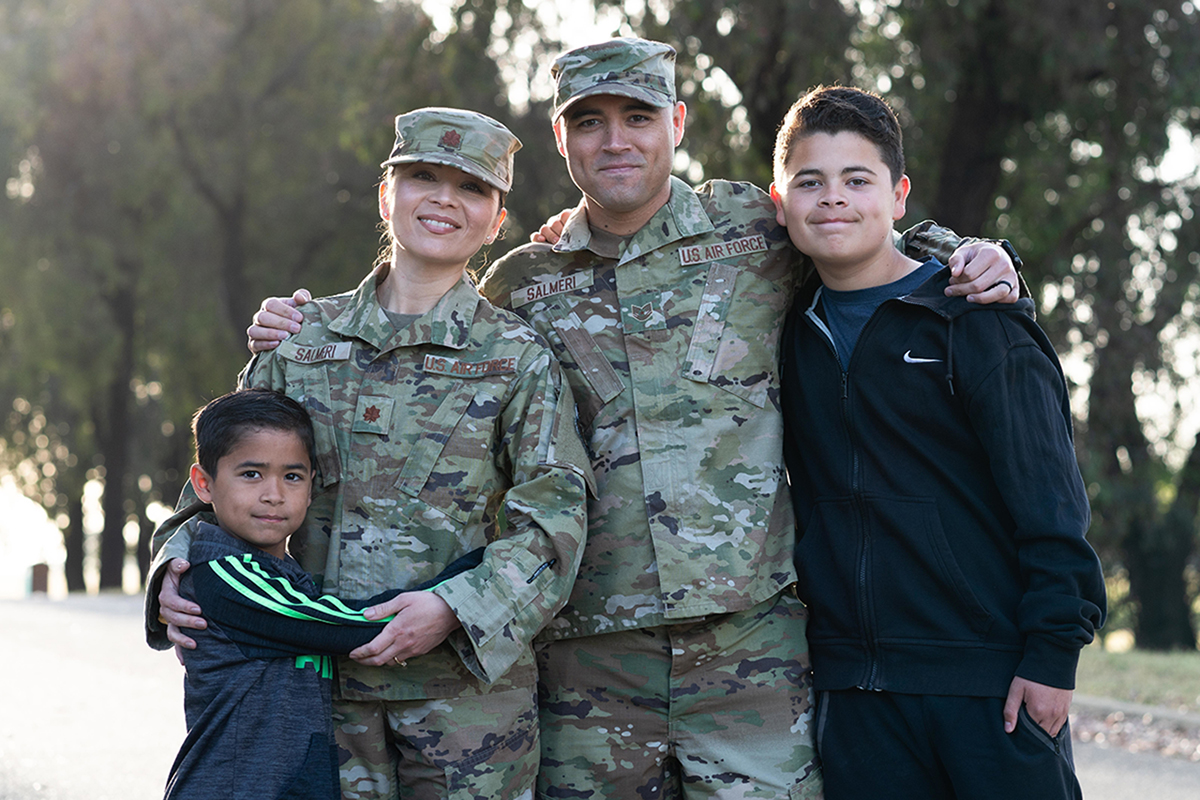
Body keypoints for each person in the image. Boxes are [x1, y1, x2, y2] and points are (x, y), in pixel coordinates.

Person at [238, 39, 1020, 800]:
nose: (615, 140)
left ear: (676, 123)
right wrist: (298, 320)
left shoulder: (752, 231)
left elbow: (853, 227)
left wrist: (961, 251)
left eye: (637, 117)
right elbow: (417, 336)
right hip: (590, 667)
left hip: (749, 649)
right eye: (589, 121)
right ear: (561, 137)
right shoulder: (525, 281)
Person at [147, 108, 593, 800]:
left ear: (496, 220)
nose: (444, 199)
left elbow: (555, 522)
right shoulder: (300, 341)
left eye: (471, 188)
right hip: (315, 698)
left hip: (468, 711)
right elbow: (209, 492)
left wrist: (453, 606)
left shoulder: (517, 358)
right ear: (387, 196)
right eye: (423, 177)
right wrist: (170, 572)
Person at [770, 85, 1106, 799]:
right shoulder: (782, 331)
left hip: (990, 686)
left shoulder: (978, 321)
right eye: (811, 182)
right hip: (854, 698)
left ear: (898, 198)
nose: (833, 199)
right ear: (780, 200)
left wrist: (1052, 657)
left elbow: (1052, 504)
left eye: (858, 180)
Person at [166, 388, 481, 799]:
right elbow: (355, 626)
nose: (274, 494)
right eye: (251, 474)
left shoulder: (277, 567)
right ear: (204, 484)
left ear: (312, 486)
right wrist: (476, 574)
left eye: (292, 476)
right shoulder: (226, 576)